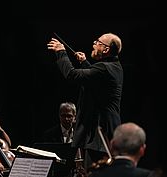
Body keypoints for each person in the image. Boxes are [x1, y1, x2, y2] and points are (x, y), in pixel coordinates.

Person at [47, 33, 124, 170]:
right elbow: (94, 84)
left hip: (100, 133)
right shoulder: (114, 66)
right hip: (103, 131)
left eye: (97, 42)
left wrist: (61, 53)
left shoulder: (104, 68)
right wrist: (84, 62)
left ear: (105, 49)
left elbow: (72, 75)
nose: (93, 44)